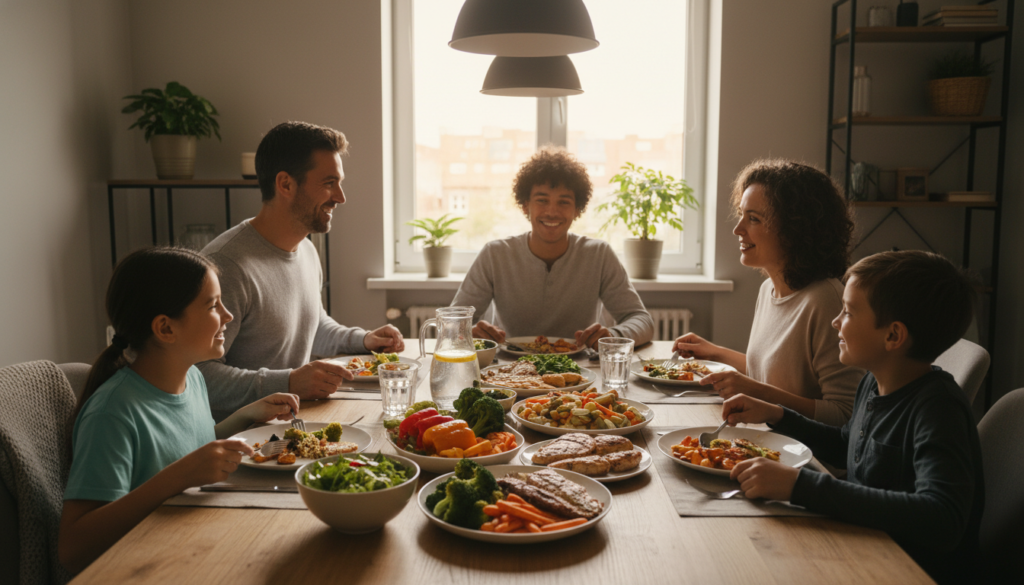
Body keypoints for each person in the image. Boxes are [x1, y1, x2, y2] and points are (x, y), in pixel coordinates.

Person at [721, 250, 982, 584]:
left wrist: (802, 486)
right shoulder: (874, 381)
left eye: (847, 312)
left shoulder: (938, 409)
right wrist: (778, 415)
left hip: (907, 570)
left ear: (893, 336)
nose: (835, 322)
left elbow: (941, 518)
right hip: (866, 545)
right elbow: (850, 445)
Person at [59, 247, 302, 574]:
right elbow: (73, 548)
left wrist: (248, 415)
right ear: (166, 329)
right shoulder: (112, 413)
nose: (228, 316)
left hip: (191, 547)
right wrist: (177, 478)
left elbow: (188, 446)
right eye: (214, 305)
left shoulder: (193, 378)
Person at [198, 122, 404, 420]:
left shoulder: (306, 248)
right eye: (329, 183)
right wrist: (288, 381)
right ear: (285, 184)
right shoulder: (226, 266)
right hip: (240, 441)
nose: (340, 197)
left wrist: (363, 340)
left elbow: (311, 325)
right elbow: (195, 376)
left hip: (292, 425)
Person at [674, 159, 862, 425]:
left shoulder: (825, 300)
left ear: (795, 229)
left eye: (753, 219)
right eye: (742, 215)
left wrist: (757, 392)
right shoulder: (768, 290)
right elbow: (771, 375)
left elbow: (846, 416)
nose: (738, 229)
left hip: (806, 459)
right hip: (767, 443)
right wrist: (714, 352)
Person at [452, 147, 654, 349]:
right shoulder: (495, 254)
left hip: (581, 371)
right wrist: (467, 332)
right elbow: (452, 322)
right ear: (525, 206)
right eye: (542, 200)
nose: (552, 211)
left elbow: (642, 321)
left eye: (564, 202)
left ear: (577, 210)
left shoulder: (598, 254)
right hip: (509, 371)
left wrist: (613, 335)